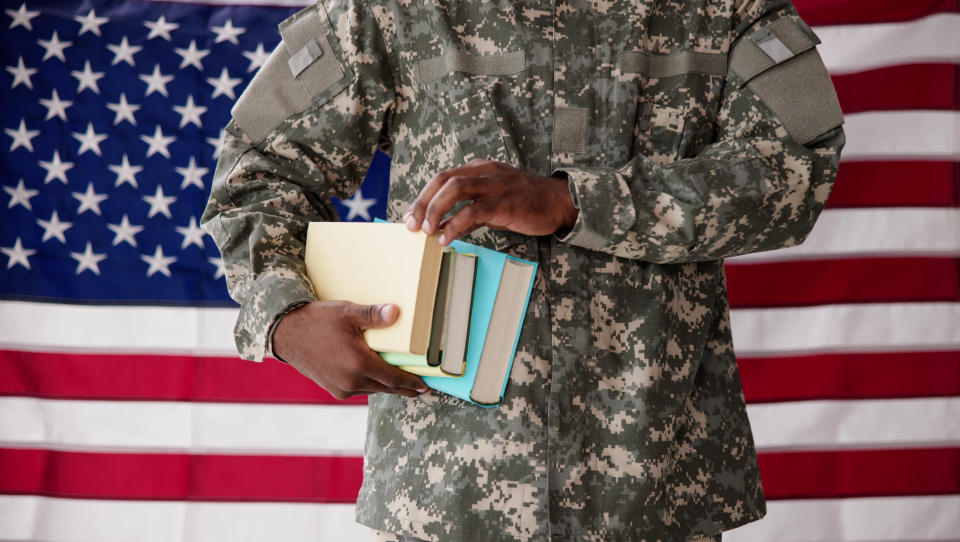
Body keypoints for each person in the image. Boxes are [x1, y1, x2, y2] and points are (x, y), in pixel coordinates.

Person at [201, 0, 844, 540]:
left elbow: (796, 171)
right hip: (446, 494)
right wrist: (282, 316)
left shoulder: (724, 8)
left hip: (658, 487)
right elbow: (256, 173)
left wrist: (572, 202)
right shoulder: (392, 9)